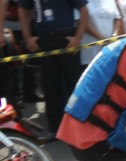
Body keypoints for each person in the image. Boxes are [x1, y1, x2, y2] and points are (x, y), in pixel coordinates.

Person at [18, 0, 88, 143]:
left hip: (66, 40)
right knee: (50, 87)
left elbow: (84, 11)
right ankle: (55, 129)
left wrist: (78, 38)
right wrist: (27, 38)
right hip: (44, 40)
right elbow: (23, 10)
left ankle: (81, 128)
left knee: (75, 85)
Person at [81, 0, 123, 69]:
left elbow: (117, 18)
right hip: (91, 52)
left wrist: (114, 36)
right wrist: (102, 39)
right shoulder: (82, 2)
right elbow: (82, 22)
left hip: (110, 48)